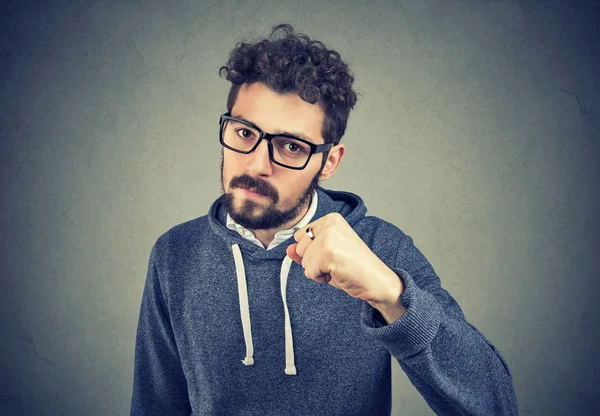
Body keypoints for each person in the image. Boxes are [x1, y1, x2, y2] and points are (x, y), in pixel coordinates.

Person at [130, 24, 518, 415]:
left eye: (291, 146)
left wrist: (389, 293)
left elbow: (496, 405)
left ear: (329, 162)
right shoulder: (174, 254)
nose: (257, 164)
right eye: (245, 133)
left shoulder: (382, 248)